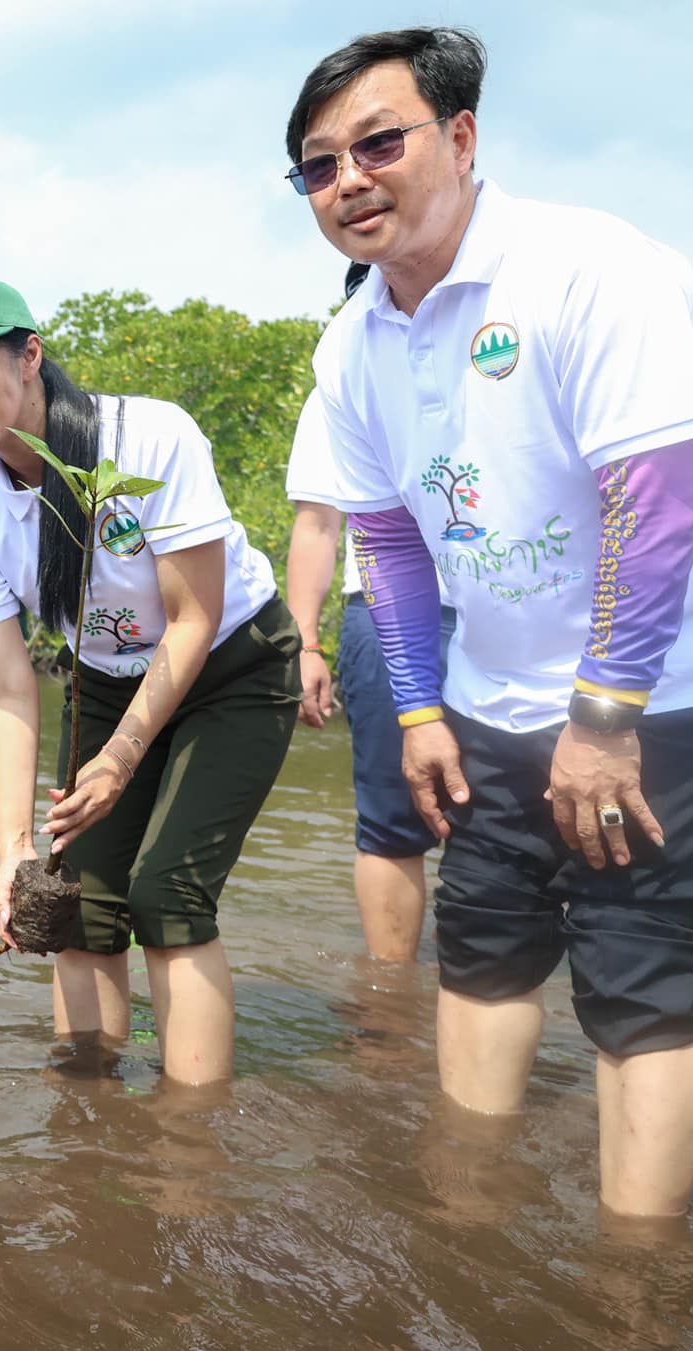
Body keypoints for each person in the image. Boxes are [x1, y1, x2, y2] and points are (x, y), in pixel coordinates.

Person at [287, 27, 693, 1216]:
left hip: (657, 694)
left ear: (460, 136)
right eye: (318, 166)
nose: (348, 181)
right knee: (480, 947)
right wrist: (422, 707)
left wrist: (602, 715)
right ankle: (465, 1222)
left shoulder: (584, 265)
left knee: (639, 972)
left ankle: (629, 1287)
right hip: (485, 698)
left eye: (376, 143)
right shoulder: (350, 344)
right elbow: (382, 539)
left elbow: (660, 495)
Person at [0, 272, 300, 1086]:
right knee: (74, 905)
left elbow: (193, 619)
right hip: (107, 682)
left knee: (167, 893)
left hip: (232, 666)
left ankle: (187, 1141)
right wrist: (13, 850)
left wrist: (120, 759)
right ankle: (86, 1120)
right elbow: (4, 688)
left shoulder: (146, 439)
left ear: (29, 355)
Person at [284, 264, 456, 962]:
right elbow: (318, 525)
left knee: (520, 813)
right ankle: (392, 1006)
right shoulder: (337, 389)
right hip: (383, 617)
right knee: (392, 818)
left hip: (508, 610)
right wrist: (305, 643)